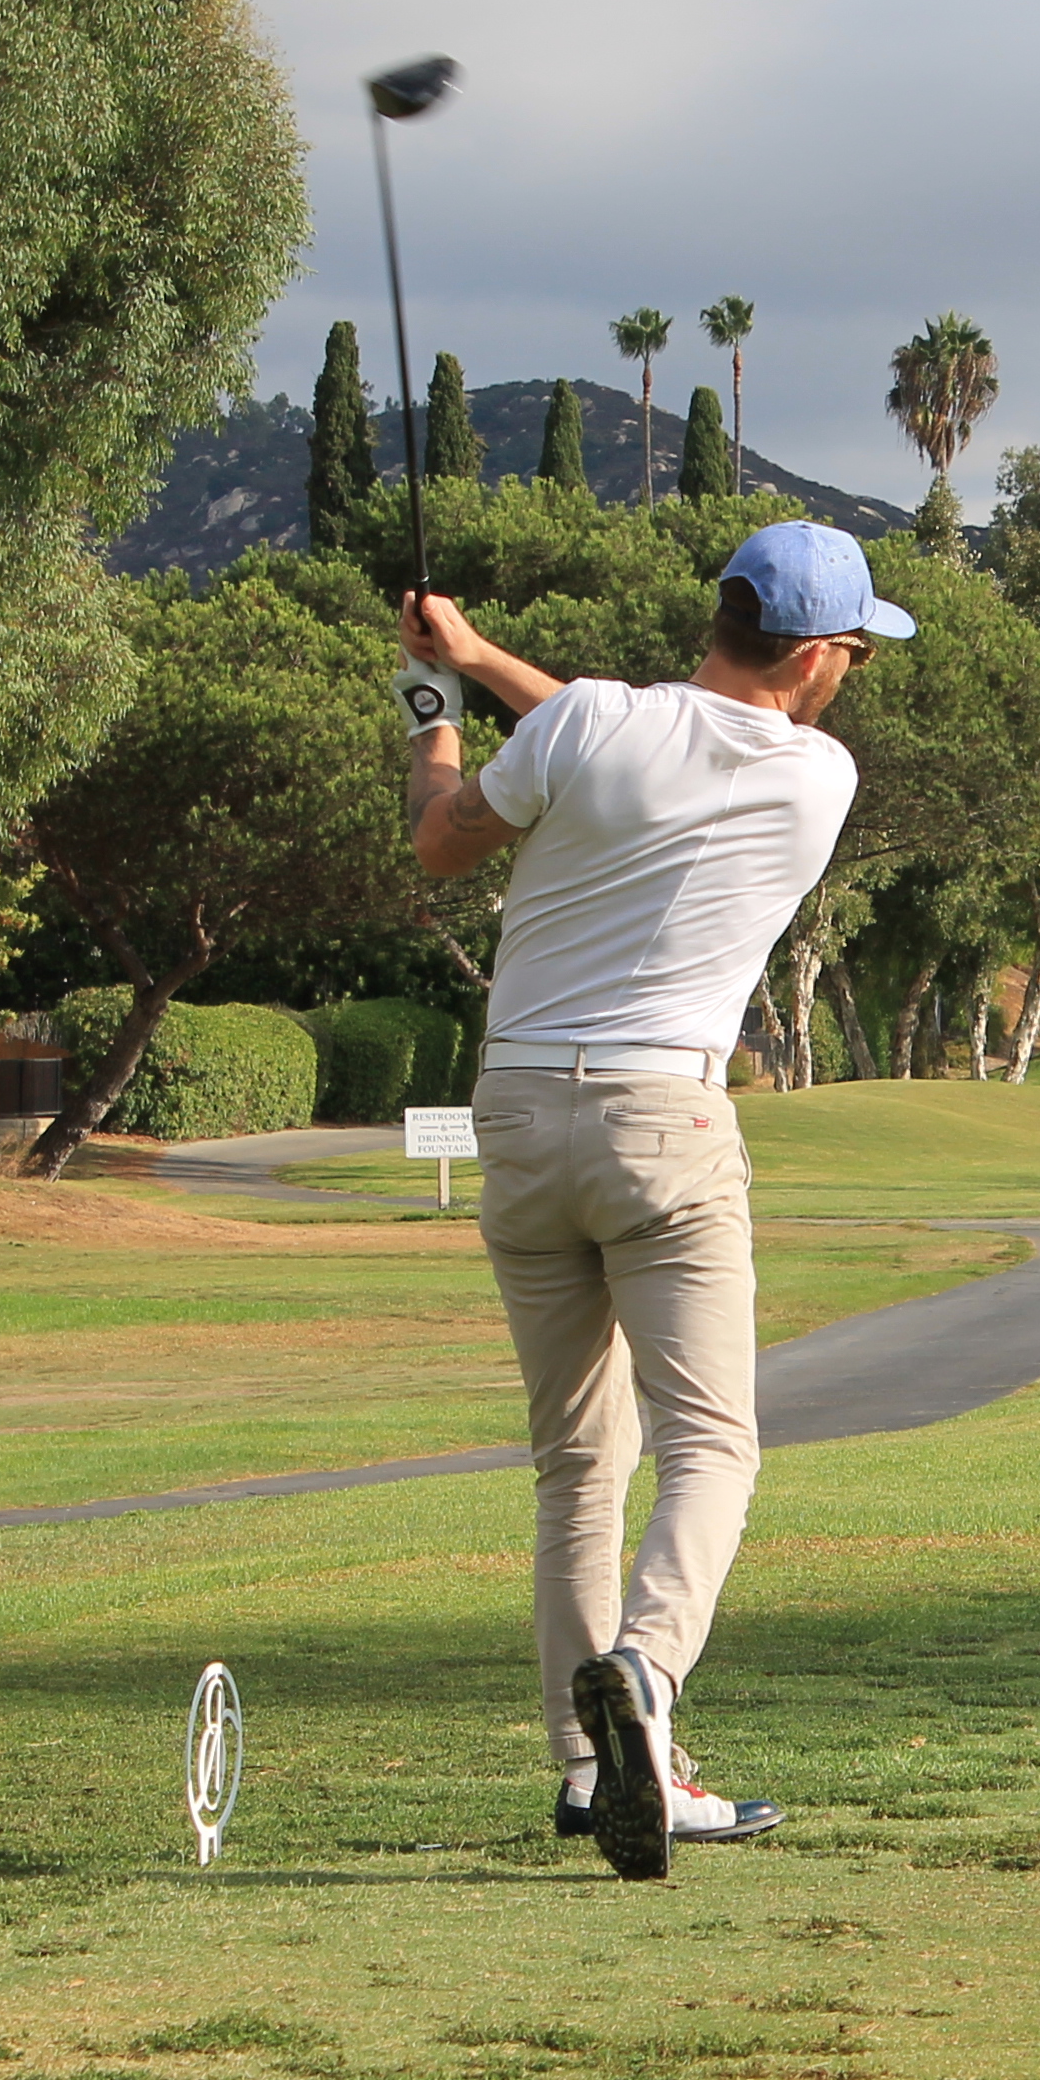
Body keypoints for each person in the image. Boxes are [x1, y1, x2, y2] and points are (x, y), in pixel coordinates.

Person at [396, 521, 912, 1879]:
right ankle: (646, 1677)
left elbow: (450, 838)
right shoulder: (819, 777)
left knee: (578, 1460)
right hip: (664, 1123)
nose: (850, 671)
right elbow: (621, 731)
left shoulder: (587, 730)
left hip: (515, 1113)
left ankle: (586, 1773)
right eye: (852, 650)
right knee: (713, 1445)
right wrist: (484, 661)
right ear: (811, 655)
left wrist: (436, 704)